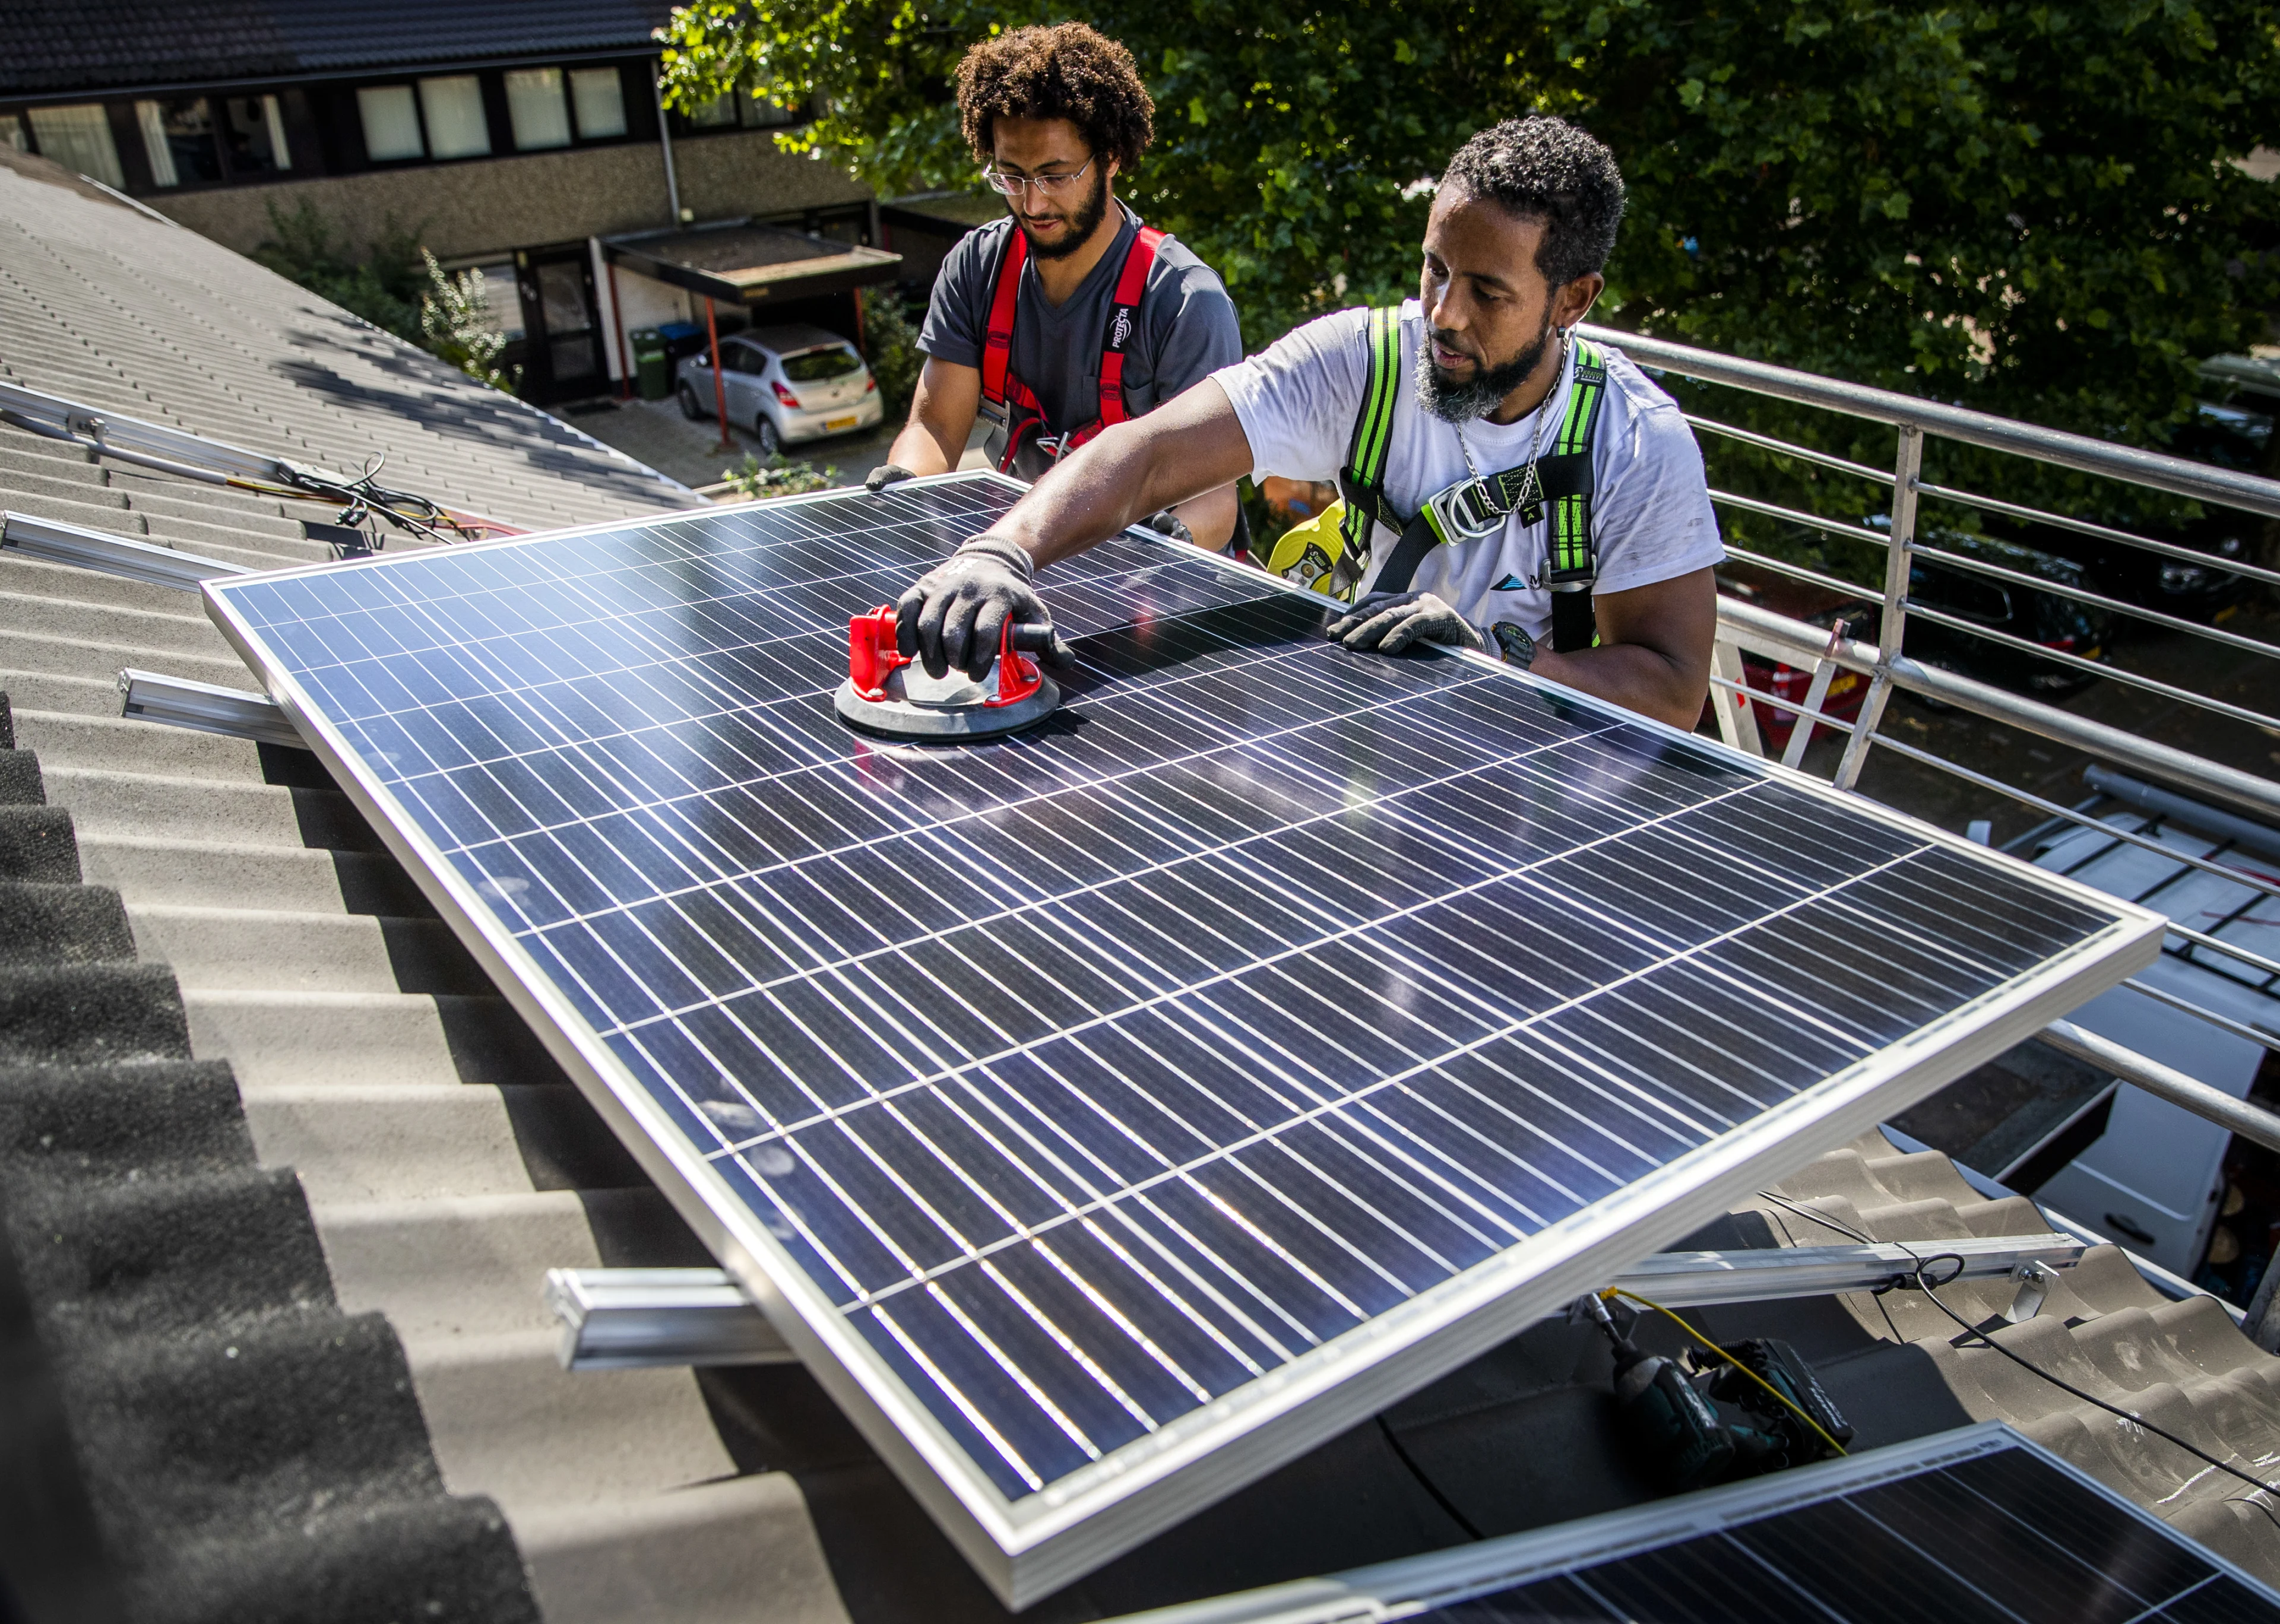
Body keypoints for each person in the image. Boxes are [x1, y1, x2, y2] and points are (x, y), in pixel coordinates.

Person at [895, 116, 1724, 731]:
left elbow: (1675, 686)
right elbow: (1148, 454)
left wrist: (1500, 663)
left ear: (1574, 298)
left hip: (1540, 773)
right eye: (1435, 269)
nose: (1443, 313)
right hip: (1377, 747)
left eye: (1489, 293)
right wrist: (1002, 552)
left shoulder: (1634, 444)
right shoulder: (1366, 363)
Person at [864, 23, 1247, 552]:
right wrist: (904, 484)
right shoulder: (976, 270)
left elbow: (1212, 497)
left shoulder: (1184, 302)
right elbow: (935, 430)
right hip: (1030, 556)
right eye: (1012, 176)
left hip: (1155, 582)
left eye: (1056, 175)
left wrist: (1169, 548)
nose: (1033, 203)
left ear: (1111, 157)